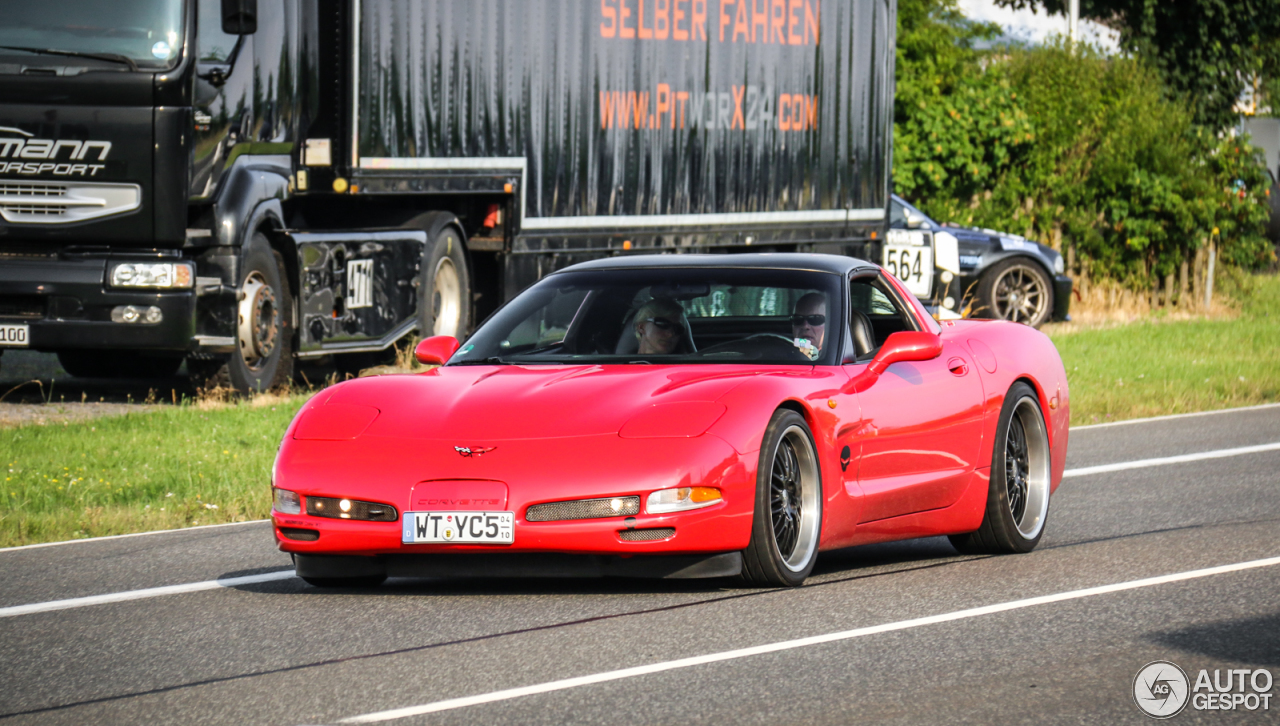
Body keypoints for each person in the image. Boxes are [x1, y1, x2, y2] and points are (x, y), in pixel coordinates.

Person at [790, 292, 827, 359]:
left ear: (829, 324)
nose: (805, 326)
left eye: (815, 319)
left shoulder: (835, 357)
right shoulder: (781, 353)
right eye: (798, 319)